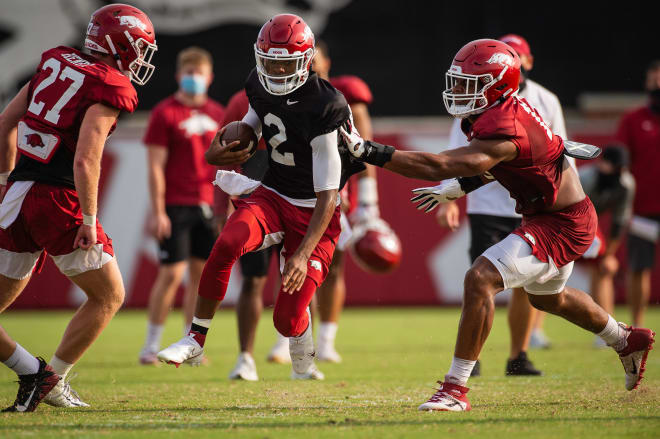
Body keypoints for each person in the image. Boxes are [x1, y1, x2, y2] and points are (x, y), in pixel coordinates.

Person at [340, 38, 655, 411]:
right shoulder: (499, 112)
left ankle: (455, 390)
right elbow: (501, 164)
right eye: (456, 81)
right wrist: (460, 188)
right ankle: (626, 339)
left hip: (561, 223)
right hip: (549, 214)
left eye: (467, 84)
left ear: (497, 85)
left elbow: (441, 164)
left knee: (480, 278)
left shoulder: (507, 125)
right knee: (546, 297)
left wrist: (370, 151)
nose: (457, 91)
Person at [158, 14, 364, 381]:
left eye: (285, 61)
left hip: (314, 210)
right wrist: (218, 151)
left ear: (306, 60)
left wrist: (301, 255)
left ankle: (302, 354)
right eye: (269, 60)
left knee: (286, 318)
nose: (276, 68)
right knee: (227, 244)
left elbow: (328, 196)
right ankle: (195, 338)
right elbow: (249, 125)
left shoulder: (326, 106)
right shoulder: (259, 84)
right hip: (271, 193)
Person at [0, 4, 157, 411]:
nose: (140, 56)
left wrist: (6, 183)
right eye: (138, 47)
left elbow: (5, 125)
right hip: (58, 200)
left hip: (17, 196)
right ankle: (52, 380)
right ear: (118, 43)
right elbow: (86, 158)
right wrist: (88, 217)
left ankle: (30, 372)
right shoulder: (109, 85)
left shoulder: (55, 61)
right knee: (109, 295)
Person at [436, 34, 567, 375]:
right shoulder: (474, 100)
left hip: (530, 204)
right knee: (481, 279)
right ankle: (472, 355)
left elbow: (560, 150)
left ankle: (518, 354)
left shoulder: (543, 100)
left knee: (527, 286)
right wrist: (447, 195)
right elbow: (454, 155)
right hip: (486, 204)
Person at [138, 47, 224, 365]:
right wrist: (158, 211)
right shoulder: (165, 113)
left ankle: (191, 346)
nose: (193, 79)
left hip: (208, 205)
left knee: (201, 279)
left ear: (209, 78)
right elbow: (155, 166)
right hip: (176, 205)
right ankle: (150, 344)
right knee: (171, 275)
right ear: (178, 76)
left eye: (199, 74)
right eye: (188, 73)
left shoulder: (218, 113)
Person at [312, 40, 380, 363]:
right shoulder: (280, 97)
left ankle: (325, 340)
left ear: (327, 60)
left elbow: (364, 149)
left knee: (332, 267)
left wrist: (368, 203)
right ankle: (294, 336)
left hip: (333, 194)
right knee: (292, 266)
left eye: (315, 57)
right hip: (292, 191)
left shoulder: (343, 94)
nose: (310, 63)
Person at [616, 60, 660, 327]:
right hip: (642, 209)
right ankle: (637, 324)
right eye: (654, 81)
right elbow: (621, 160)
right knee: (639, 268)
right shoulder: (633, 120)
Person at [578, 145, 635, 346]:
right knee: (547, 272)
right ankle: (535, 332)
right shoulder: (584, 178)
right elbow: (568, 209)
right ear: (602, 164)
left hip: (590, 225)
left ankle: (606, 330)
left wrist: (609, 255)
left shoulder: (626, 184)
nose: (621, 172)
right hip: (566, 221)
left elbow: (619, 222)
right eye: (616, 167)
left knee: (604, 269)